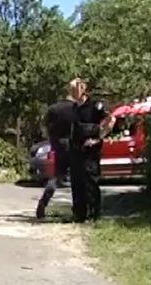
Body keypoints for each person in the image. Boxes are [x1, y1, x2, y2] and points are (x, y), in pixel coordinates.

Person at [70, 78, 116, 222]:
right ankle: (79, 214)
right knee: (77, 182)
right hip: (76, 150)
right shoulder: (74, 108)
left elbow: (111, 120)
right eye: (70, 89)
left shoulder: (95, 105)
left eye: (73, 89)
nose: (71, 92)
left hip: (90, 152)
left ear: (82, 88)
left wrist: (99, 138)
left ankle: (93, 214)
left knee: (90, 182)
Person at [35, 84, 81, 219]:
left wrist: (50, 137)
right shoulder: (76, 109)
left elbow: (44, 125)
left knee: (57, 177)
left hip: (57, 143)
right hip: (72, 144)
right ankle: (77, 210)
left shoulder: (54, 109)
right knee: (76, 178)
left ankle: (43, 202)